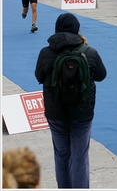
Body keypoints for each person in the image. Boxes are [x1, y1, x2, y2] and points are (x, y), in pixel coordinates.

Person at [35, 13, 107, 188]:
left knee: (61, 155)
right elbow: (101, 75)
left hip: (55, 112)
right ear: (77, 29)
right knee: (80, 156)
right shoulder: (89, 52)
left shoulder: (45, 52)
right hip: (82, 112)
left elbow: (38, 76)